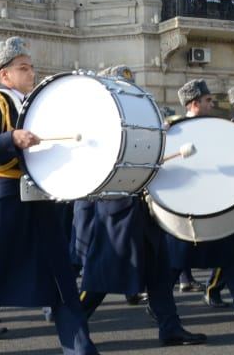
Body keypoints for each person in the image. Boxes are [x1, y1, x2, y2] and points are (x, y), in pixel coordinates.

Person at [0, 37, 98, 355]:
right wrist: (11, 137)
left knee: (61, 284)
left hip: (40, 202)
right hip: (5, 201)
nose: (31, 73)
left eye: (31, 67)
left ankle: (82, 351)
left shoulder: (37, 104)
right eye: (23, 68)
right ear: (5, 75)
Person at [74, 65, 206, 345]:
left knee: (158, 272)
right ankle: (71, 323)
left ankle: (170, 328)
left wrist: (162, 134)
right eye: (122, 87)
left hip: (144, 206)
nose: (128, 93)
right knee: (100, 278)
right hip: (115, 208)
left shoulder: (142, 118)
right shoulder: (96, 121)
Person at [169, 79, 234, 321]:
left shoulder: (213, 127)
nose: (212, 103)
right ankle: (158, 303)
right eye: (207, 100)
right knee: (177, 260)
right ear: (194, 103)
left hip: (214, 202)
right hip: (187, 206)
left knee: (229, 254)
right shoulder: (177, 130)